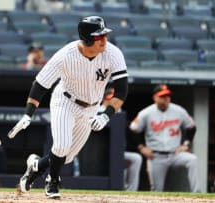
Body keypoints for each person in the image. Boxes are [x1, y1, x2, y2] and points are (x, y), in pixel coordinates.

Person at [7, 16, 129, 199]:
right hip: (65, 101)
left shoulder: (113, 53)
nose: (104, 39)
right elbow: (40, 85)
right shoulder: (66, 55)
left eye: (105, 34)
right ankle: (52, 181)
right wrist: (28, 114)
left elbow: (121, 91)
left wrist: (106, 115)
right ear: (87, 39)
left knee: (67, 157)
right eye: (99, 36)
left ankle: (36, 166)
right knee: (61, 146)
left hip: (92, 107)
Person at [129, 84, 200, 192]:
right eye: (162, 96)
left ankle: (197, 194)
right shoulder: (146, 113)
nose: (165, 99)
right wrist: (141, 147)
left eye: (167, 96)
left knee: (192, 160)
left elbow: (191, 127)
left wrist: (186, 144)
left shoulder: (179, 111)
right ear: (155, 98)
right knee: (157, 190)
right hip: (156, 156)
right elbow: (133, 130)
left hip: (175, 154)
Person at [101, 86, 142, 191]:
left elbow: (131, 132)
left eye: (117, 100)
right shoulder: (97, 111)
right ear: (105, 99)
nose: (115, 102)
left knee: (136, 158)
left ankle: (131, 191)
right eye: (111, 99)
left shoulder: (121, 113)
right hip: (100, 152)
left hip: (118, 152)